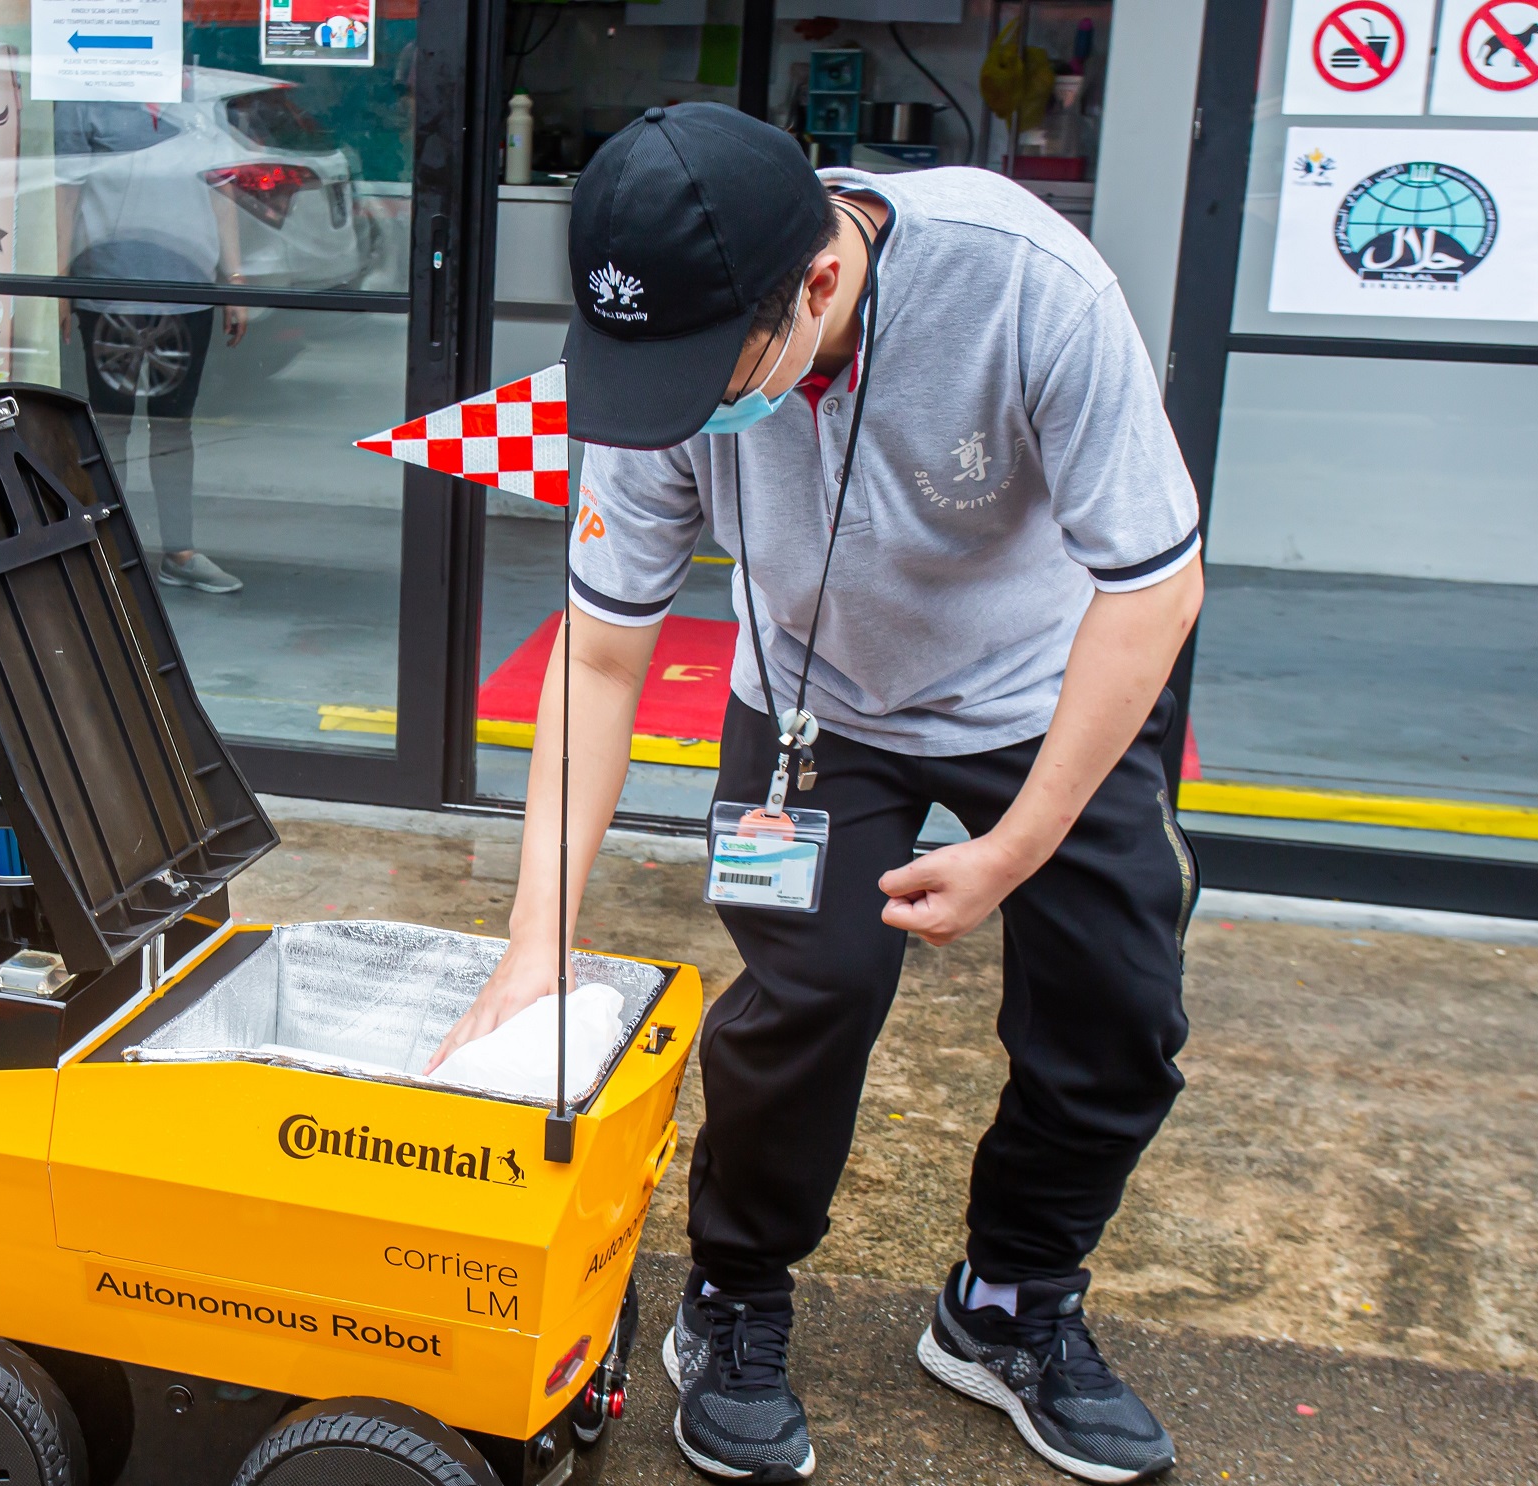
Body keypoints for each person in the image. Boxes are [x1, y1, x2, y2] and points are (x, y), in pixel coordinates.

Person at [430, 104, 1203, 1484]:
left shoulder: (1029, 286)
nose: (678, 409)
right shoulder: (656, 353)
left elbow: (1155, 592)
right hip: (813, 707)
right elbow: (601, 661)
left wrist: (1018, 849)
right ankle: (733, 1291)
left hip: (1044, 693)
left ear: (821, 284)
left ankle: (1011, 1300)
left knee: (1118, 1015)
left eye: (710, 373)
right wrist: (534, 941)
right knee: (808, 994)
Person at [55, 82, 251, 594]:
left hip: (186, 290)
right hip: (110, 287)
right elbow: (66, 190)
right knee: (110, 426)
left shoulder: (199, 94)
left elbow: (221, 185)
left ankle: (179, 552)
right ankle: (106, 552)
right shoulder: (87, 90)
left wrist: (234, 279)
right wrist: (57, 282)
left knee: (173, 428)